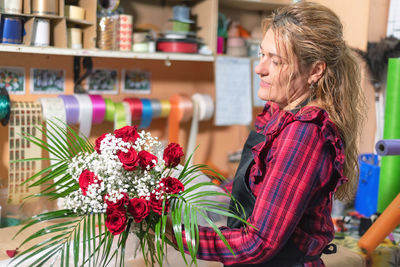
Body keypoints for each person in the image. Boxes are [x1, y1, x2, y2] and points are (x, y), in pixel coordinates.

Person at [165, 1, 365, 266]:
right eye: (262, 55)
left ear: (315, 71)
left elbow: (257, 243)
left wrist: (172, 233)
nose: (260, 68)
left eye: (276, 61)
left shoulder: (304, 133)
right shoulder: (279, 110)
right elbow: (256, 187)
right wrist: (179, 196)